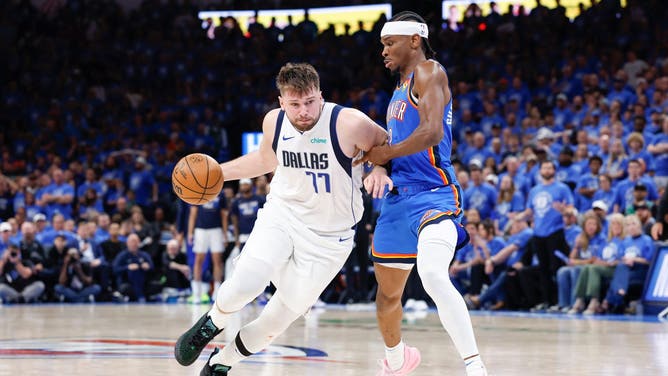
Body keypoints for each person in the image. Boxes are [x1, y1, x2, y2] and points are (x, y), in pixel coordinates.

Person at [173, 62, 388, 376]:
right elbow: (264, 160)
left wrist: (379, 168)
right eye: (295, 104)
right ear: (281, 102)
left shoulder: (350, 123)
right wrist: (219, 173)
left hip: (330, 238)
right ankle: (212, 324)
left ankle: (222, 363)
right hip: (283, 215)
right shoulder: (274, 122)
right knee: (246, 283)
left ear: (321, 95)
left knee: (276, 322)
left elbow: (384, 145)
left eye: (311, 101)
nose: (304, 111)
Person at [356, 12, 487, 375]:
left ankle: (475, 366)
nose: (383, 51)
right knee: (387, 297)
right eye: (382, 44)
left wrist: (384, 155)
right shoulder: (398, 89)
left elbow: (430, 132)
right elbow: (391, 142)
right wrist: (380, 164)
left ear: (414, 40)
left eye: (389, 43)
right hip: (398, 201)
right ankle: (397, 362)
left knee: (431, 274)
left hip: (435, 194)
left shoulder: (430, 72)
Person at [187, 191, 228, 304]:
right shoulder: (198, 190)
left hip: (216, 229)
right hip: (200, 229)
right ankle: (197, 294)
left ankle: (217, 293)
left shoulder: (221, 193)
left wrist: (225, 234)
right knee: (198, 260)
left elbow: (223, 215)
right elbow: (193, 213)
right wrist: (190, 232)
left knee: (217, 261)